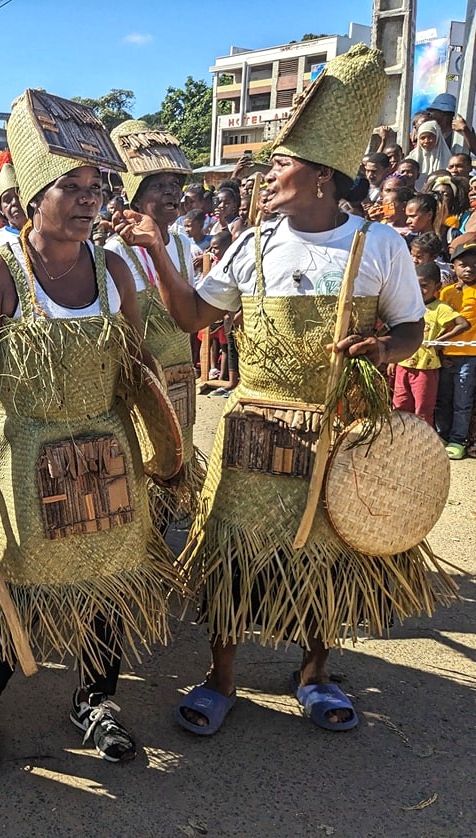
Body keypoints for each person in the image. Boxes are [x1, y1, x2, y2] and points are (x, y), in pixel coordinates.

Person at [118, 44, 454, 735]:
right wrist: (154, 249)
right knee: (237, 553)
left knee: (325, 553)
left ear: (322, 177)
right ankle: (220, 678)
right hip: (255, 433)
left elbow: (411, 331)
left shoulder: (380, 246)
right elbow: (192, 318)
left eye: (280, 164)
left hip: (337, 431)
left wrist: (382, 347)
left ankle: (314, 673)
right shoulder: (254, 242)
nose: (267, 176)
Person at [0, 90, 181, 781]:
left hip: (107, 462)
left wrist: (163, 452)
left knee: (109, 587)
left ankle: (95, 702)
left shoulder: (115, 272)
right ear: (32, 198)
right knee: (14, 592)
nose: (85, 200)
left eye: (94, 187)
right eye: (68, 188)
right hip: (21, 464)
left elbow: (136, 373)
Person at [106, 119, 203, 520]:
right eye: (158, 186)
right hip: (143, 384)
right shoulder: (114, 252)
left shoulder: (182, 244)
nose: (171, 192)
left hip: (182, 376)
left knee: (176, 464)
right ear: (137, 198)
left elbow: (192, 309)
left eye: (173, 184)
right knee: (144, 468)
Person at [390, 262, 469, 426]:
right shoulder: (407, 306)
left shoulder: (440, 308)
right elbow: (396, 331)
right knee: (399, 407)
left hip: (426, 368)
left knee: (423, 411)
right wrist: (392, 358)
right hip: (403, 364)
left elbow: (463, 324)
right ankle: (400, 445)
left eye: (424, 286)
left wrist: (440, 340)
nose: (419, 290)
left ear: (437, 286)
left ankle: (423, 447)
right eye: (415, 285)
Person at [435, 235, 476, 458]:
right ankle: (442, 435)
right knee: (443, 398)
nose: (469, 269)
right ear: (453, 267)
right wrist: (440, 350)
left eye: (475, 265)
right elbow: (441, 323)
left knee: (463, 401)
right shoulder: (447, 293)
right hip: (447, 354)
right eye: (463, 265)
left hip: (471, 355)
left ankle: (458, 440)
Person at [407, 120, 452, 188]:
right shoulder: (412, 158)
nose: (426, 141)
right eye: (422, 138)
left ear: (437, 137)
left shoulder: (448, 159)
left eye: (430, 137)